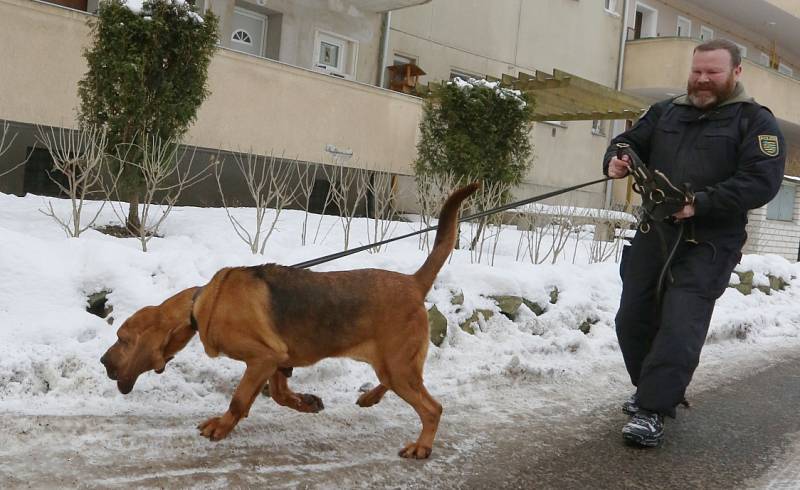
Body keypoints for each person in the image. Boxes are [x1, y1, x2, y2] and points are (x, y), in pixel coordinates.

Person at [603, 39, 786, 447]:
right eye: (697, 71)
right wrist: (617, 158)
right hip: (656, 230)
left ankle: (652, 409)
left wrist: (700, 204)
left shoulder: (755, 122)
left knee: (680, 323)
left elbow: (762, 180)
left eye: (713, 73)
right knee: (631, 319)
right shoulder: (666, 111)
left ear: (736, 73)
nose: (702, 80)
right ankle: (654, 388)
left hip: (710, 240)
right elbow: (629, 142)